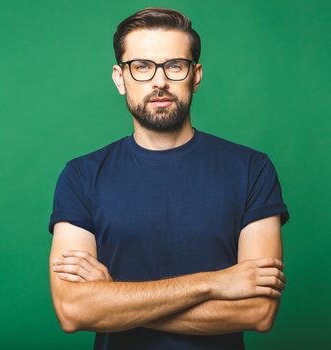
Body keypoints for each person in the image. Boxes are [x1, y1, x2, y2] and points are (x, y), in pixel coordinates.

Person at [48, 7, 290, 350]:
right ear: (120, 78)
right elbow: (74, 310)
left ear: (196, 75)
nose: (159, 81)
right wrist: (215, 283)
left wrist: (113, 297)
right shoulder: (81, 175)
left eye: (174, 66)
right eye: (142, 67)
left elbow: (258, 311)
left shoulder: (252, 169)